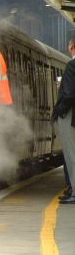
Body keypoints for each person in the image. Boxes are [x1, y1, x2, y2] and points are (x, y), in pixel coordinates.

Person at [53, 32, 75, 204]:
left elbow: (69, 94)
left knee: (71, 155)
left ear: (72, 46)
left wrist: (60, 111)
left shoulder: (72, 65)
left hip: (71, 116)